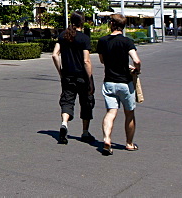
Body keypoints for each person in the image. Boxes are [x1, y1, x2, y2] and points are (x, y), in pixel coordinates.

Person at [96, 13, 142, 155]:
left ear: (111, 24)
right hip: (125, 83)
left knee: (110, 112)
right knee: (129, 114)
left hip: (109, 82)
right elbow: (137, 60)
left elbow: (103, 60)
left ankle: (107, 139)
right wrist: (136, 69)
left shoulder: (103, 41)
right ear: (123, 26)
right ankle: (129, 143)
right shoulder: (127, 41)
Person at [52, 12, 96, 144]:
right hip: (82, 76)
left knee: (67, 100)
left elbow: (55, 55)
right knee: (86, 102)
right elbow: (86, 61)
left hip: (68, 75)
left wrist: (60, 71)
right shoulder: (84, 38)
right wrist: (90, 80)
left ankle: (64, 124)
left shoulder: (63, 35)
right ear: (82, 22)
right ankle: (85, 132)